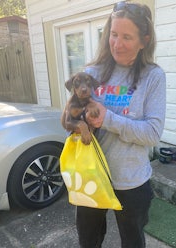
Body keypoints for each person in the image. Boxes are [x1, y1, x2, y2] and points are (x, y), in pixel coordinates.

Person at [65, 1, 166, 247]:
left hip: (131, 180)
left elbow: (153, 133)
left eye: (127, 37)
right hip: (90, 174)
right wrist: (77, 121)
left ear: (144, 40)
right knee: (89, 240)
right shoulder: (91, 72)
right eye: (113, 34)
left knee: (132, 241)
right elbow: (68, 119)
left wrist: (108, 119)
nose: (117, 44)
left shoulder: (153, 76)